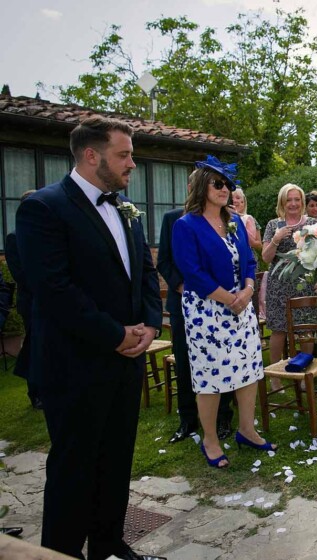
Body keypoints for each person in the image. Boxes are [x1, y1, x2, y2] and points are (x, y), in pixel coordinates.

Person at [16, 115, 163, 560]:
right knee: (74, 466)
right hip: (74, 363)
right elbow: (54, 289)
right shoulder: (44, 208)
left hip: (126, 360)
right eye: (124, 155)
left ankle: (108, 544)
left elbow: (145, 271)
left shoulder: (124, 207)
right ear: (91, 155)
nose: (132, 164)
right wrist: (114, 333)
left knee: (116, 460)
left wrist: (150, 324)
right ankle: (61, 552)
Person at [172, 156, 274, 469]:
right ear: (202, 186)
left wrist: (247, 290)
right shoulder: (186, 225)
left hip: (241, 306)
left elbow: (250, 262)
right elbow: (192, 272)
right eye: (218, 183)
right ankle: (210, 440)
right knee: (210, 375)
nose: (225, 189)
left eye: (227, 184)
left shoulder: (235, 222)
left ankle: (247, 430)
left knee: (248, 369)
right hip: (206, 310)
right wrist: (228, 298)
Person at [158, 169, 235, 444]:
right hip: (184, 303)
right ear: (192, 188)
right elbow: (164, 261)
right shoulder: (173, 219)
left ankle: (223, 417)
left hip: (219, 301)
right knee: (185, 360)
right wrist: (184, 287)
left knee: (222, 358)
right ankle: (188, 420)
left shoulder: (225, 219)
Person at [261, 184, 317, 372]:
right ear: (282, 202)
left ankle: (304, 373)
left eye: (297, 199)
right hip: (279, 285)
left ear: (302, 202)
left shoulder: (312, 224)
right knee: (279, 330)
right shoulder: (273, 225)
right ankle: (275, 377)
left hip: (305, 283)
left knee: (306, 329)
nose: (293, 204)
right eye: (289, 200)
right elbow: (266, 258)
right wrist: (276, 239)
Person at [6, 190, 40, 409]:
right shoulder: (14, 237)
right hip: (32, 302)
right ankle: (35, 393)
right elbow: (20, 274)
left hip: (52, 302)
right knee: (34, 346)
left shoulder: (46, 234)